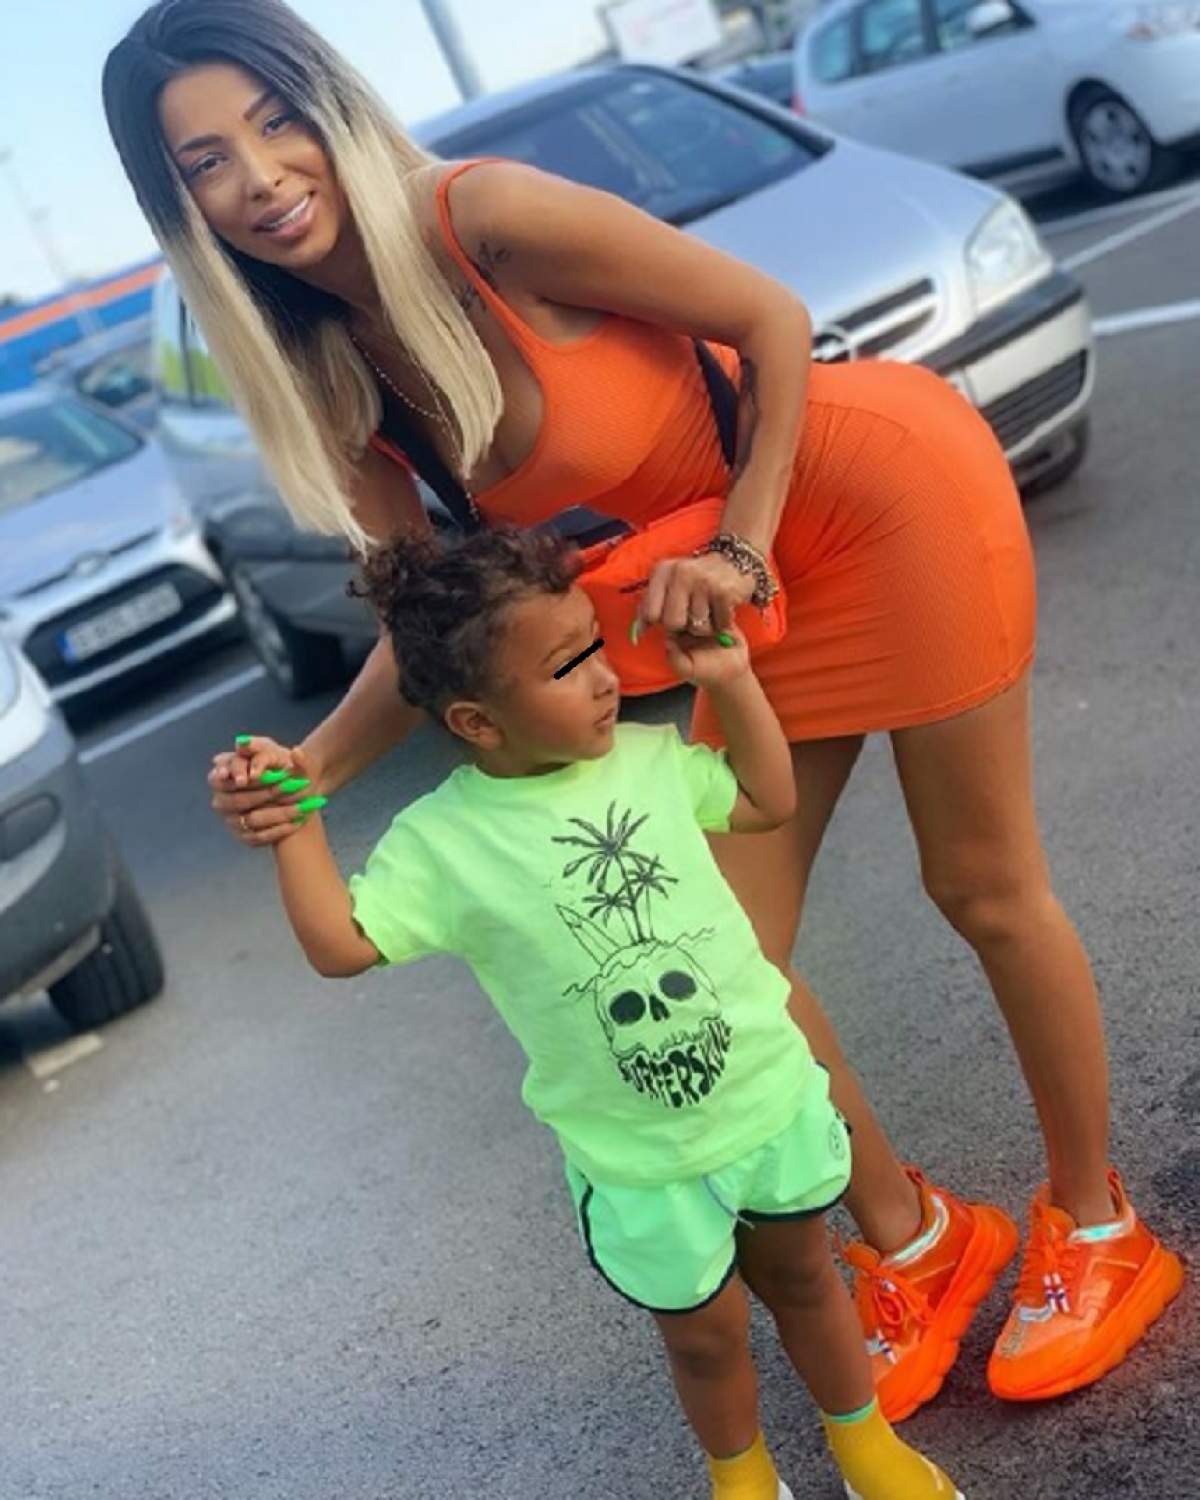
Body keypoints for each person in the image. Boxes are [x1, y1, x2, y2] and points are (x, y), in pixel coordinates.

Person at [103, 0, 1182, 1422]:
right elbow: (421, 629)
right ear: (180, 209)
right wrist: (299, 774)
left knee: (981, 884)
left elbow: (769, 320)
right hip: (720, 608)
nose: (260, 176)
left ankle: (1098, 1225)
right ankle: (917, 1239)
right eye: (205, 163)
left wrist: (742, 542)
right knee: (726, 944)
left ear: (334, 108)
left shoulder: (485, 222)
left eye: (275, 120)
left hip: (867, 503)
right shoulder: (333, 367)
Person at [249, 522, 966, 1500]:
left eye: (596, 645)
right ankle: (743, 1480)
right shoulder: (442, 844)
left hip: (762, 1096)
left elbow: (766, 799)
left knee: (808, 1280)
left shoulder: (648, 759)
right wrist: (292, 822)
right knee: (704, 1338)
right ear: (478, 722)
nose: (603, 678)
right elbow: (342, 945)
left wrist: (731, 681)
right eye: (566, 665)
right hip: (636, 1157)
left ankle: (866, 1447)